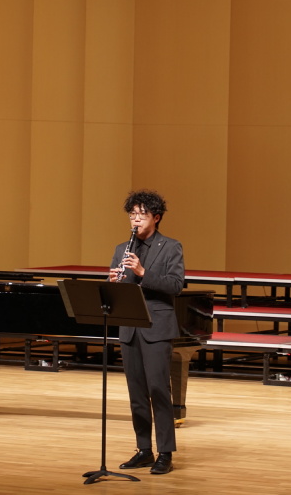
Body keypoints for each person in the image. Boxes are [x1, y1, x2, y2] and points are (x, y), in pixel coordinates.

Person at [109, 190, 184, 475]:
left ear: (156, 217)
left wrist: (142, 272)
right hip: (129, 326)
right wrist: (113, 282)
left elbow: (175, 285)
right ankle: (143, 449)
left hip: (156, 327)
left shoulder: (171, 247)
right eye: (132, 214)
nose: (136, 219)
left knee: (158, 390)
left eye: (141, 214)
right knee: (136, 392)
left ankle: (165, 452)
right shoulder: (121, 248)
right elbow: (118, 291)